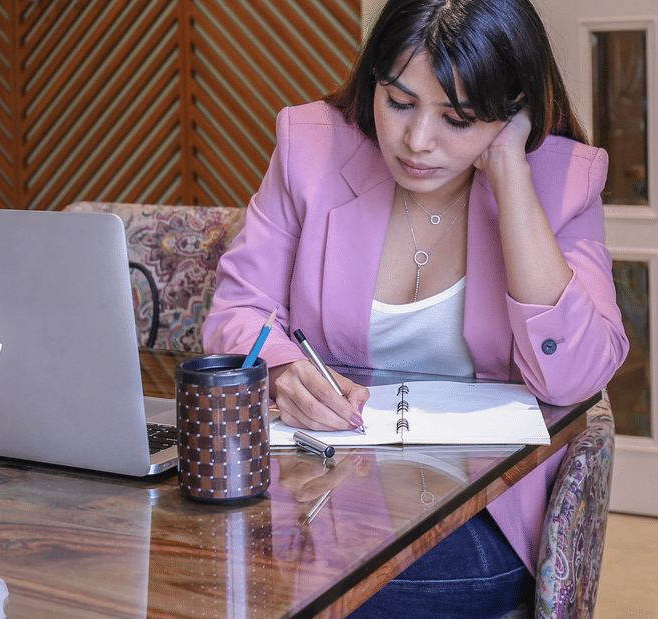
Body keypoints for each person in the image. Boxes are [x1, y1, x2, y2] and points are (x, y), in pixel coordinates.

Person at [201, 0, 629, 616]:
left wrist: (511, 174)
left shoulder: (563, 181)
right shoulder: (311, 147)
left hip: (476, 506)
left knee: (329, 591)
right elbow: (238, 308)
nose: (416, 142)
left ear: (511, 111)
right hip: (314, 484)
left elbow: (575, 376)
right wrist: (279, 368)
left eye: (457, 118)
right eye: (398, 103)